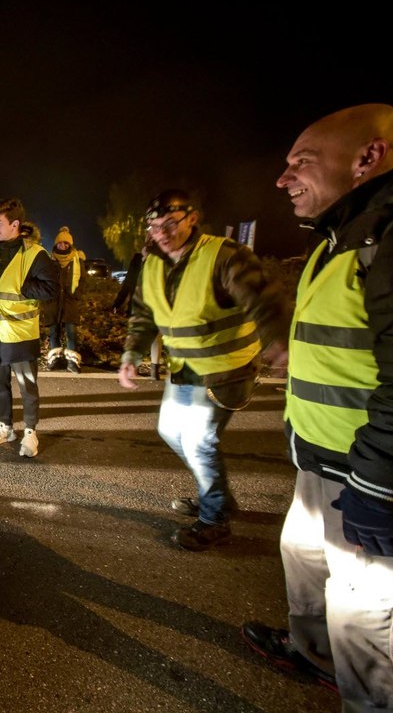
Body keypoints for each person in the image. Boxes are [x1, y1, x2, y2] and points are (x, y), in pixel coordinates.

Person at [240, 104, 393, 711]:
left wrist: (382, 487)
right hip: (327, 466)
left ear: (367, 157)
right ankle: (318, 655)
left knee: (385, 648)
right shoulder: (345, 235)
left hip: (386, 485)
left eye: (302, 162)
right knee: (307, 566)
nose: (283, 178)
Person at [118, 189, 291, 551]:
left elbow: (262, 299)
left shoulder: (224, 255)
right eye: (154, 226)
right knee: (170, 432)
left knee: (199, 443)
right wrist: (132, 353)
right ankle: (217, 496)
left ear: (192, 218)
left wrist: (278, 342)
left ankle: (215, 519)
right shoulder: (152, 263)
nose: (162, 233)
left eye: (170, 223)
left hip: (225, 371)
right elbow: (144, 313)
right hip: (184, 369)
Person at [0, 198, 58, 457]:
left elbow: (52, 288)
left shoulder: (35, 254)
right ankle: (6, 428)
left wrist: (24, 287)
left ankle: (31, 433)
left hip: (20, 335)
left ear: (15, 225)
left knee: (27, 387)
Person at [110, 241, 163, 380]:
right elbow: (128, 283)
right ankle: (137, 366)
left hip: (154, 304)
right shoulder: (137, 261)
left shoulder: (161, 261)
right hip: (139, 304)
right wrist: (117, 303)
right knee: (139, 334)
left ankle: (153, 369)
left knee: (154, 337)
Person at [42, 226, 87, 374]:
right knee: (54, 331)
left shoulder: (76, 260)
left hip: (69, 301)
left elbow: (83, 280)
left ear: (70, 245)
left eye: (66, 243)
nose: (63, 245)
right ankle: (55, 360)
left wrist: (77, 295)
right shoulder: (50, 259)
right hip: (53, 300)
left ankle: (72, 362)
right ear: (56, 244)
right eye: (60, 243)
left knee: (71, 332)